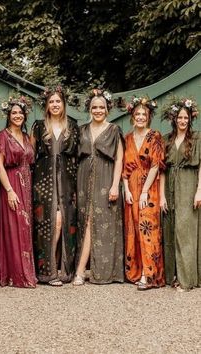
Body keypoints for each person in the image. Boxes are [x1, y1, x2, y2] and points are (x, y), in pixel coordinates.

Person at [73, 88, 124, 285]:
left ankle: (83, 271)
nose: (98, 110)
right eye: (94, 107)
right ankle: (86, 269)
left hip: (105, 178)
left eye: (101, 107)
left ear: (107, 109)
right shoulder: (82, 130)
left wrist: (114, 186)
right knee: (85, 221)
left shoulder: (114, 130)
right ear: (89, 109)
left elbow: (119, 159)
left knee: (99, 224)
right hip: (84, 179)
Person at [31, 85, 79, 286]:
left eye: (58, 101)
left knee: (64, 223)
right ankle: (47, 272)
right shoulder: (39, 126)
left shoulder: (73, 126)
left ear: (64, 103)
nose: (55, 104)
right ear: (47, 105)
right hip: (44, 182)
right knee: (46, 224)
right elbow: (31, 156)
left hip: (67, 181)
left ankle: (64, 270)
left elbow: (78, 156)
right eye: (51, 102)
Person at [0, 93, 37, 288]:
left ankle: (26, 271)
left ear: (25, 115)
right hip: (11, 183)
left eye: (20, 112)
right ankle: (14, 273)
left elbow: (31, 162)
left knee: (25, 227)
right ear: (8, 115)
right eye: (13, 113)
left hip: (27, 183)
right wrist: (9, 190)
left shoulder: (27, 137)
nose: (17, 115)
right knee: (14, 227)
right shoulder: (2, 137)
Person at [123, 96, 165, 290]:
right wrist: (125, 188)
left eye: (144, 114)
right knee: (133, 229)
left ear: (149, 117)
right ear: (132, 116)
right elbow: (124, 166)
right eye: (137, 114)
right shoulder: (127, 138)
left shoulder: (155, 136)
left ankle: (149, 274)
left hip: (149, 189)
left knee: (147, 228)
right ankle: (137, 270)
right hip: (131, 187)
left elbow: (156, 166)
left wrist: (145, 191)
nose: (140, 117)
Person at [160, 96, 201, 291]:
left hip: (188, 185)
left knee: (185, 232)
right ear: (174, 119)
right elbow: (161, 170)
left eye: (186, 118)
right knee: (170, 231)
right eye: (179, 118)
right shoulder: (167, 139)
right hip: (169, 187)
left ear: (190, 119)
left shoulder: (197, 138)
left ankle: (187, 280)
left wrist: (199, 191)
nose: (182, 121)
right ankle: (173, 276)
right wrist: (161, 196)